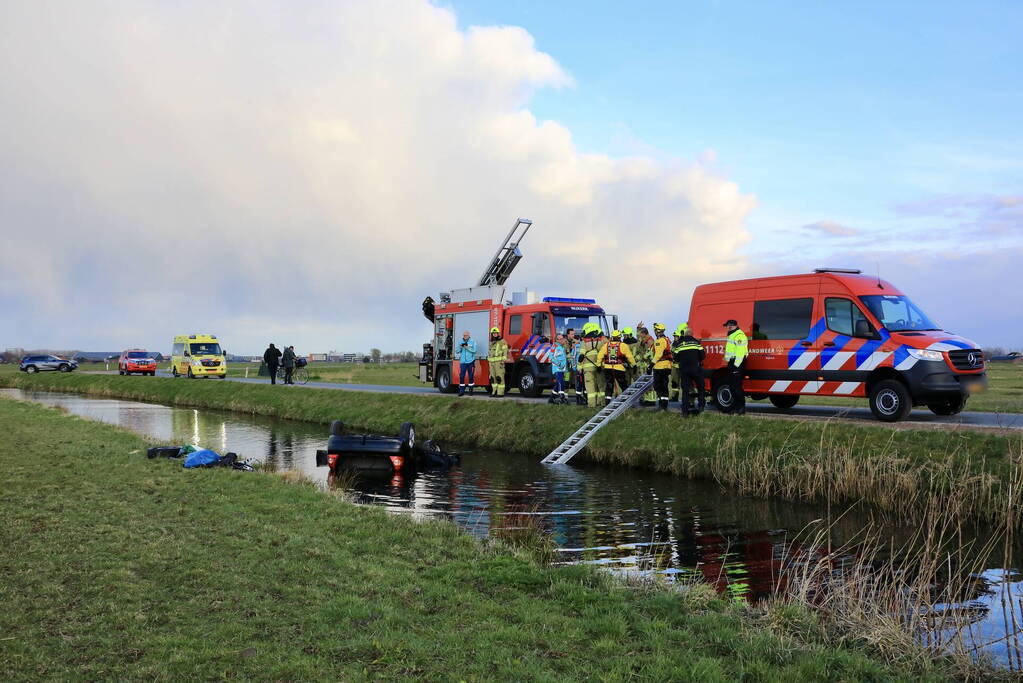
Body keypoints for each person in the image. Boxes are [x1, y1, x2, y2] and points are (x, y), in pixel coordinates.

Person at [673, 323, 706, 416]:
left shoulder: (679, 344)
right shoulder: (696, 343)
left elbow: (675, 357)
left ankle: (685, 411)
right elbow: (703, 356)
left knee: (685, 391)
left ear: (684, 334)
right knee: (701, 388)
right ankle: (701, 407)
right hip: (696, 369)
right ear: (692, 335)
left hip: (684, 370)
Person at [596, 329, 635, 406]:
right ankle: (626, 401)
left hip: (608, 368)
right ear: (619, 337)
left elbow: (600, 356)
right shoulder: (623, 345)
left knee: (609, 385)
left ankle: (607, 402)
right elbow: (629, 356)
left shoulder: (606, 345)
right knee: (623, 384)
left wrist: (598, 365)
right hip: (619, 368)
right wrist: (634, 365)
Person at [723, 319, 749, 415]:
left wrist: (736, 365)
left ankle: (741, 408)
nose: (727, 328)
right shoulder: (732, 334)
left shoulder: (739, 335)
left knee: (737, 387)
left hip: (737, 363)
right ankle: (734, 408)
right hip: (732, 362)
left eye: (728, 326)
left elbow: (740, 352)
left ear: (731, 326)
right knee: (732, 386)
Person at [577, 323, 603, 408]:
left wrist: (579, 368)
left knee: (590, 387)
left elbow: (580, 357)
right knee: (600, 386)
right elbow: (603, 354)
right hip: (599, 368)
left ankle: (592, 404)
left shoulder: (584, 343)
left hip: (588, 370)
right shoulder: (601, 342)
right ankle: (601, 403)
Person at [651, 323, 673, 411]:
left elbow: (658, 355)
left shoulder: (659, 341)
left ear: (657, 331)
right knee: (664, 386)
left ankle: (662, 405)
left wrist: (651, 365)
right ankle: (664, 405)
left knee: (658, 386)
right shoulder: (667, 339)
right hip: (666, 366)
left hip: (660, 366)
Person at [634, 325, 657, 406]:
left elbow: (651, 353)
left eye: (641, 334)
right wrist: (638, 329)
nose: (640, 336)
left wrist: (643, 357)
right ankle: (647, 399)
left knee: (649, 383)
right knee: (644, 383)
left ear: (644, 334)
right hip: (643, 364)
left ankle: (651, 400)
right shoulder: (644, 340)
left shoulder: (650, 341)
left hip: (648, 363)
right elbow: (638, 339)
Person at [487, 327, 509, 398]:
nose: (494, 334)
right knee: (493, 378)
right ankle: (494, 392)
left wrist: (503, 360)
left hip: (499, 363)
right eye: (493, 333)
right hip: (491, 363)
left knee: (499, 377)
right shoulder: (491, 342)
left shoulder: (502, 341)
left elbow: (505, 352)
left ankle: (500, 393)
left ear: (498, 333)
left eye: (496, 333)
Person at [549, 333, 569, 404]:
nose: (561, 340)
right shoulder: (554, 346)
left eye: (562, 338)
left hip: (562, 368)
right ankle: (561, 397)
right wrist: (559, 364)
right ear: (556, 339)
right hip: (557, 368)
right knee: (561, 382)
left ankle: (551, 398)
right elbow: (551, 357)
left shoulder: (562, 347)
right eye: (559, 339)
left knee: (558, 384)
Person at [457, 330, 478, 396]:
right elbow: (457, 351)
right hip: (463, 362)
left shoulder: (473, 342)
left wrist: (467, 347)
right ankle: (461, 391)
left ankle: (471, 391)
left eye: (466, 335)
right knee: (461, 376)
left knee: (471, 376)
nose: (464, 336)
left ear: (469, 335)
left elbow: (474, 351)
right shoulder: (460, 341)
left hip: (471, 361)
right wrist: (460, 347)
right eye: (463, 335)